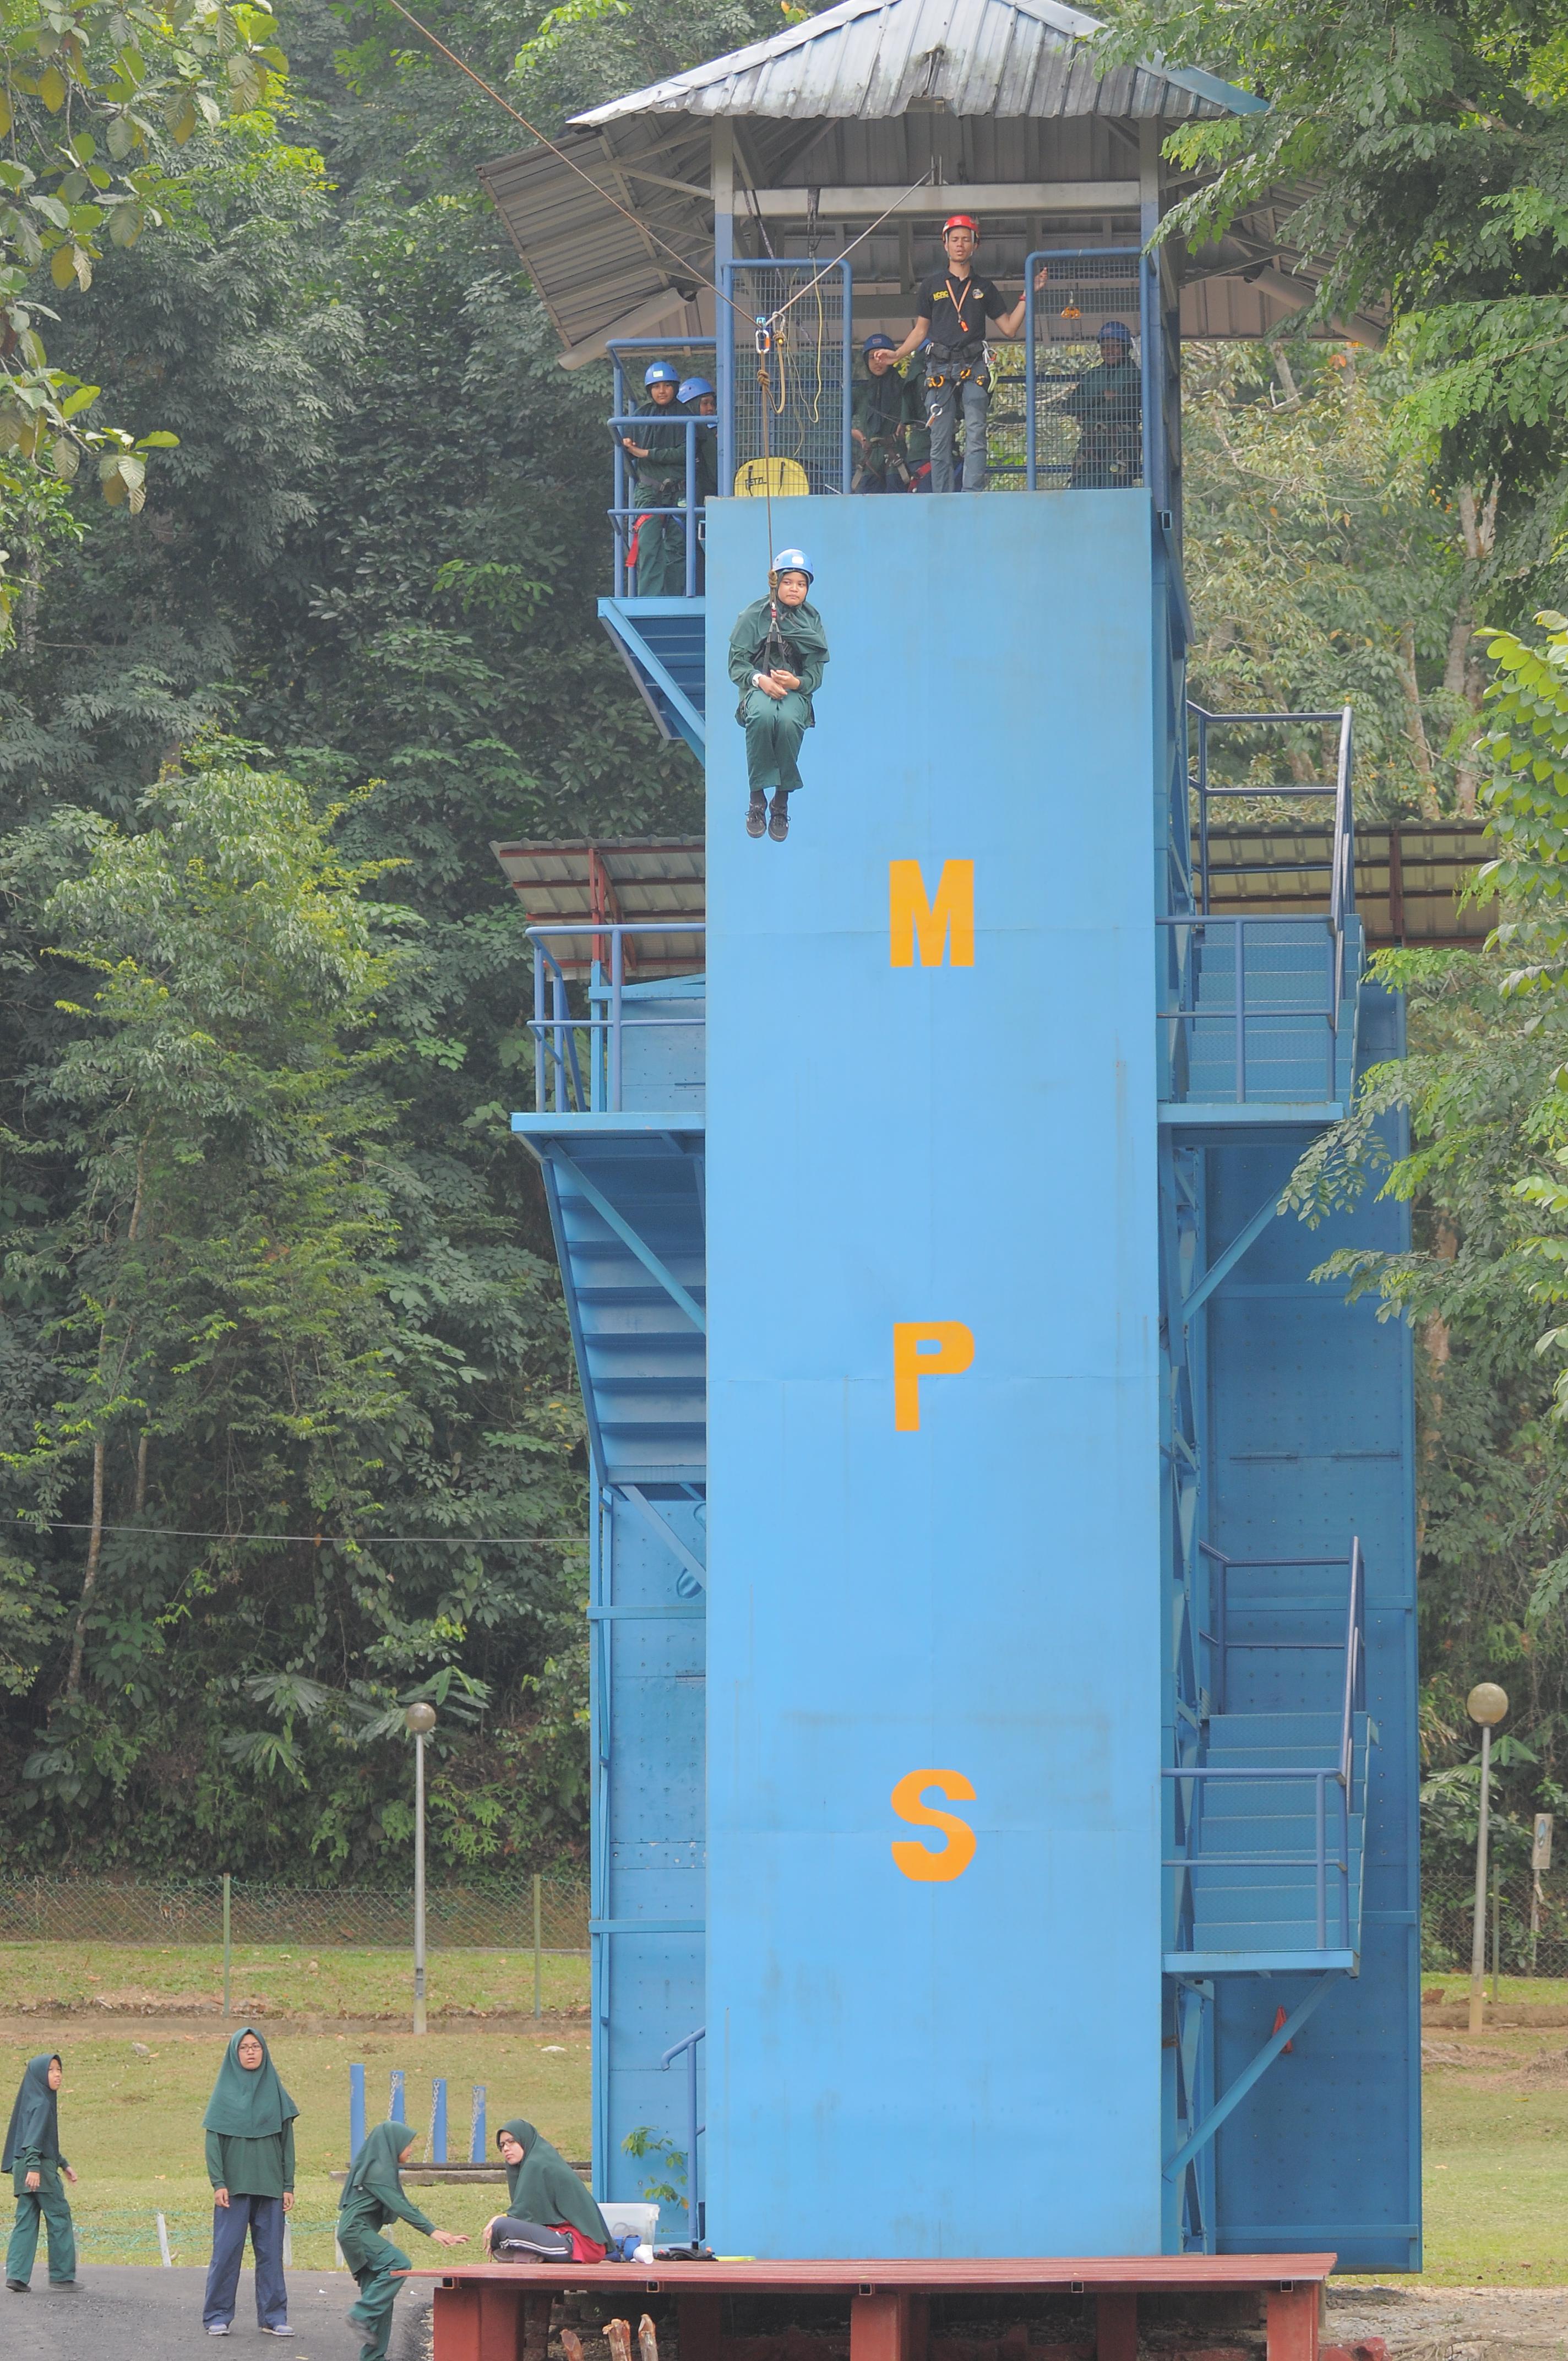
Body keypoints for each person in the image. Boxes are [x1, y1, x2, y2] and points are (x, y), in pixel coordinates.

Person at [885, 216, 1046, 492]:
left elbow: (1009, 328)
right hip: (938, 369)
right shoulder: (932, 286)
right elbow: (921, 331)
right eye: (955, 239)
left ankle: (972, 495)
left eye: (966, 239)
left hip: (973, 367)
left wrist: (1027, 295)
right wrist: (897, 354)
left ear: (975, 246)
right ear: (945, 244)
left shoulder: (984, 288)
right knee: (940, 437)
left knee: (976, 433)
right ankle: (943, 498)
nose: (960, 245)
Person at [337, 2120, 467, 2361]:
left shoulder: (382, 2170)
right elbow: (400, 2206)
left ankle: (373, 2356)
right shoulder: (377, 2172)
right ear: (393, 2145)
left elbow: (399, 2202)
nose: (411, 2150)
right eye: (408, 2145)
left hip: (357, 2232)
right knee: (398, 2264)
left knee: (380, 2296)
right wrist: (433, 2231)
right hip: (356, 2231)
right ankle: (361, 2314)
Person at [201, 2023, 298, 2338]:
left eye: (255, 2047)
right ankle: (217, 2315)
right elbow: (213, 2142)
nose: (251, 2052)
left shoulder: (276, 2092)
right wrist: (218, 2183)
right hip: (234, 2189)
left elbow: (287, 2144)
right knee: (226, 2252)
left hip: (270, 2187)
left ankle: (273, 2317)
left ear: (264, 2051)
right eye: (244, 2048)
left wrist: (288, 2186)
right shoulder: (223, 2094)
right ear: (234, 2053)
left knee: (271, 2254)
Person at [728, 548, 830, 842]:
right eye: (788, 582)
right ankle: (757, 800)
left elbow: (816, 675)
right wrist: (759, 680)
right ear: (777, 583)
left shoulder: (812, 621)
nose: (794, 589)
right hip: (758, 686)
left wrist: (797, 682)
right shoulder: (754, 615)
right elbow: (736, 664)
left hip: (794, 692)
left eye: (801, 583)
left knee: (786, 722)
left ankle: (781, 801)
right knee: (761, 717)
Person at [483, 2119, 613, 2262]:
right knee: (503, 2229)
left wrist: (501, 2218)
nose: (506, 2149)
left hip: (581, 2244)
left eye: (512, 2141)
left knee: (502, 2226)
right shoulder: (536, 2161)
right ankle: (531, 2257)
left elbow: (521, 2212)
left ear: (525, 2139)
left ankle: (532, 2256)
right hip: (562, 2237)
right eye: (502, 2145)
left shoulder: (537, 2164)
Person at [4, 2053, 77, 2295]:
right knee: (59, 2216)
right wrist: (35, 2167)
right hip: (38, 2169)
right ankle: (62, 2276)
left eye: (59, 2069)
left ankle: (16, 2276)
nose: (57, 2075)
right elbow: (34, 2141)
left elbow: (38, 2139)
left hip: (22, 2167)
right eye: (51, 2070)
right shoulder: (43, 2103)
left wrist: (64, 2163)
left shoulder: (30, 2100)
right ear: (39, 2075)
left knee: (26, 2219)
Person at [620, 362, 691, 596]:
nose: (662, 391)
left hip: (680, 491)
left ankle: (674, 598)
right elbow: (627, 445)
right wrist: (628, 444)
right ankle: (649, 599)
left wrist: (646, 454)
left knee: (677, 546)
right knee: (649, 544)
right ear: (649, 390)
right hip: (649, 491)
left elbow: (686, 452)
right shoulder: (640, 417)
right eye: (656, 386)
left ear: (675, 387)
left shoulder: (687, 417)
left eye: (667, 386)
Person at [1060, 319, 1142, 489]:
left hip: (1121, 442)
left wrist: (1087, 411)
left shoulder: (1134, 374)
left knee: (1114, 485)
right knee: (1081, 487)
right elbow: (1070, 406)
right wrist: (1101, 397)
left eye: (1115, 346)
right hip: (1091, 442)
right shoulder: (1093, 375)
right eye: (1105, 347)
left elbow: (1125, 406)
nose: (1109, 351)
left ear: (1126, 347)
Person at [851, 335, 918, 492]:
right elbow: (839, 420)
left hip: (896, 456)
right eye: (872, 357)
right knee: (868, 510)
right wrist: (857, 435)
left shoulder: (904, 387)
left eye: (882, 356)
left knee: (896, 506)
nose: (877, 362)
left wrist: (905, 423)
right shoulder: (861, 393)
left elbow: (917, 414)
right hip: (869, 458)